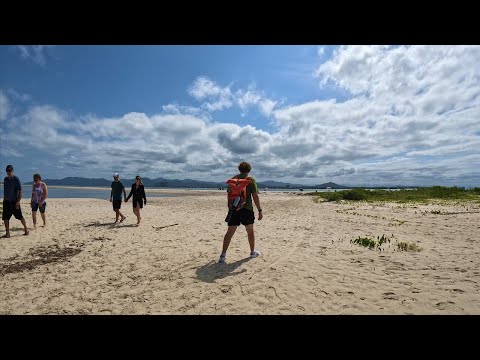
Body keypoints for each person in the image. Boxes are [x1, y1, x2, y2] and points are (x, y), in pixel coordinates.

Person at [218, 161, 263, 263]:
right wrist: (260, 210)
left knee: (229, 232)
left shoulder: (234, 179)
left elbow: (229, 194)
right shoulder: (250, 180)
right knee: (250, 232)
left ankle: (223, 255)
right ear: (249, 170)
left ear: (239, 169)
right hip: (247, 209)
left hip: (234, 208)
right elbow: (255, 196)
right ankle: (252, 252)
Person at [2, 165, 29, 237]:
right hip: (6, 202)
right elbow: (6, 190)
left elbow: (20, 191)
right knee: (5, 218)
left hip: (14, 202)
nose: (9, 172)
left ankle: (26, 229)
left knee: (19, 216)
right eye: (7, 171)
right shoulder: (5, 179)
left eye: (10, 170)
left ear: (13, 171)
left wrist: (18, 201)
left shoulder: (16, 179)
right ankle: (7, 233)